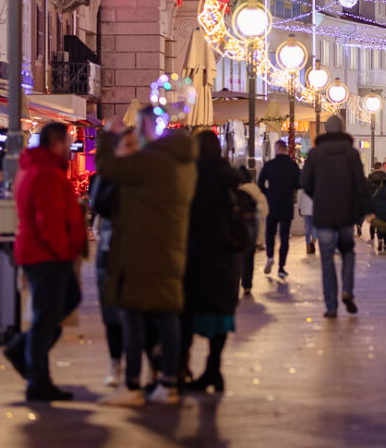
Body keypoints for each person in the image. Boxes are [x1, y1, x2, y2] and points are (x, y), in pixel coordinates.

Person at [96, 111, 196, 406]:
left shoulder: (154, 160)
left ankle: (133, 385)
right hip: (167, 249)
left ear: (149, 126)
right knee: (166, 317)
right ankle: (168, 382)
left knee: (133, 318)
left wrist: (108, 134)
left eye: (139, 127)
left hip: (143, 252)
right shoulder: (182, 161)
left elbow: (106, 165)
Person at [3, 122, 86, 402]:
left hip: (43, 253)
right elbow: (48, 219)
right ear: (56, 142)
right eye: (67, 142)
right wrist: (63, 251)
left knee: (59, 307)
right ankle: (37, 378)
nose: (70, 148)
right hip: (46, 255)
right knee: (44, 318)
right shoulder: (44, 172)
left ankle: (23, 353)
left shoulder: (40, 169)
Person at [182, 130, 247, 394]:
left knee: (187, 312)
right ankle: (213, 369)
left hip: (196, 254)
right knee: (221, 313)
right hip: (226, 256)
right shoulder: (231, 178)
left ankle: (179, 368)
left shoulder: (191, 177)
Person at [301, 116, 367, 317]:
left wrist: (318, 197)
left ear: (326, 130)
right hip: (346, 214)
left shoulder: (314, 154)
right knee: (348, 253)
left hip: (324, 214)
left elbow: (305, 182)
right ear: (343, 129)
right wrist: (362, 208)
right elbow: (360, 184)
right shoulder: (352, 154)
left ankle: (331, 306)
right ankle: (347, 290)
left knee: (327, 259)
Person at [90, 130, 135, 388]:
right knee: (111, 313)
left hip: (136, 250)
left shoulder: (143, 173)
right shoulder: (107, 177)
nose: (129, 149)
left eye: (132, 144)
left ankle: (135, 367)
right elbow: (100, 205)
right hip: (109, 251)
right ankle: (115, 362)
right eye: (124, 144)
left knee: (135, 313)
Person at [258, 140, 300, 278]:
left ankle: (270, 256)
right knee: (284, 237)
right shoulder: (292, 166)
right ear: (286, 150)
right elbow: (298, 184)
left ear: (276, 150)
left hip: (272, 204)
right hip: (286, 204)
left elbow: (260, 183)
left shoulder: (269, 165)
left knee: (270, 232)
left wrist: (267, 193)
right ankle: (281, 267)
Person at [237, 167, 267, 295]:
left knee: (237, 259)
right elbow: (265, 211)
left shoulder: (236, 192)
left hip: (237, 232)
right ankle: (247, 284)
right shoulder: (258, 193)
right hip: (252, 232)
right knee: (249, 259)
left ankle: (237, 283)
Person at [371, 176, 386, 254]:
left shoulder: (378, 191)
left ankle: (380, 240)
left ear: (381, 184)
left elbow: (373, 200)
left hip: (379, 212)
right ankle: (385, 244)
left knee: (379, 227)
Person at [298, 186, 316, 255]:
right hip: (315, 207)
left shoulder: (303, 180)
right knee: (315, 227)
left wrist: (299, 207)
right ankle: (313, 242)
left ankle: (308, 246)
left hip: (305, 207)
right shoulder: (318, 178)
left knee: (307, 227)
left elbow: (300, 194)